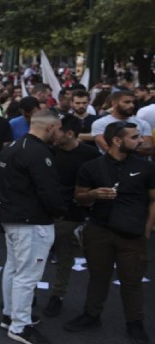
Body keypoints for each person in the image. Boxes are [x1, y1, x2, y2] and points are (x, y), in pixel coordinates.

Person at [64, 122, 154, 344]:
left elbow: (154, 200)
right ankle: (91, 315)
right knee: (98, 277)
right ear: (117, 140)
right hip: (99, 231)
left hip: (133, 234)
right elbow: (80, 197)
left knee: (132, 281)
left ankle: (135, 323)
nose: (141, 141)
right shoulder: (91, 167)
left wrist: (147, 229)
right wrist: (93, 194)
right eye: (134, 137)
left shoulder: (147, 167)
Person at [0, 109, 67, 344]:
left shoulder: (14, 145)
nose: (60, 134)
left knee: (14, 269)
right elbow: (48, 190)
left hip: (13, 217)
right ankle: (19, 325)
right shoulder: (37, 152)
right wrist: (59, 212)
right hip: (32, 221)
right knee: (26, 275)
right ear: (49, 128)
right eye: (58, 129)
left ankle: (10, 315)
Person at [43, 115, 100, 318]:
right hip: (46, 212)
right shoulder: (49, 152)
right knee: (35, 256)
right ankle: (27, 293)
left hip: (72, 214)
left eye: (56, 129)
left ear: (69, 133)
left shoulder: (91, 155)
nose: (52, 132)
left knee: (64, 257)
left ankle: (57, 296)